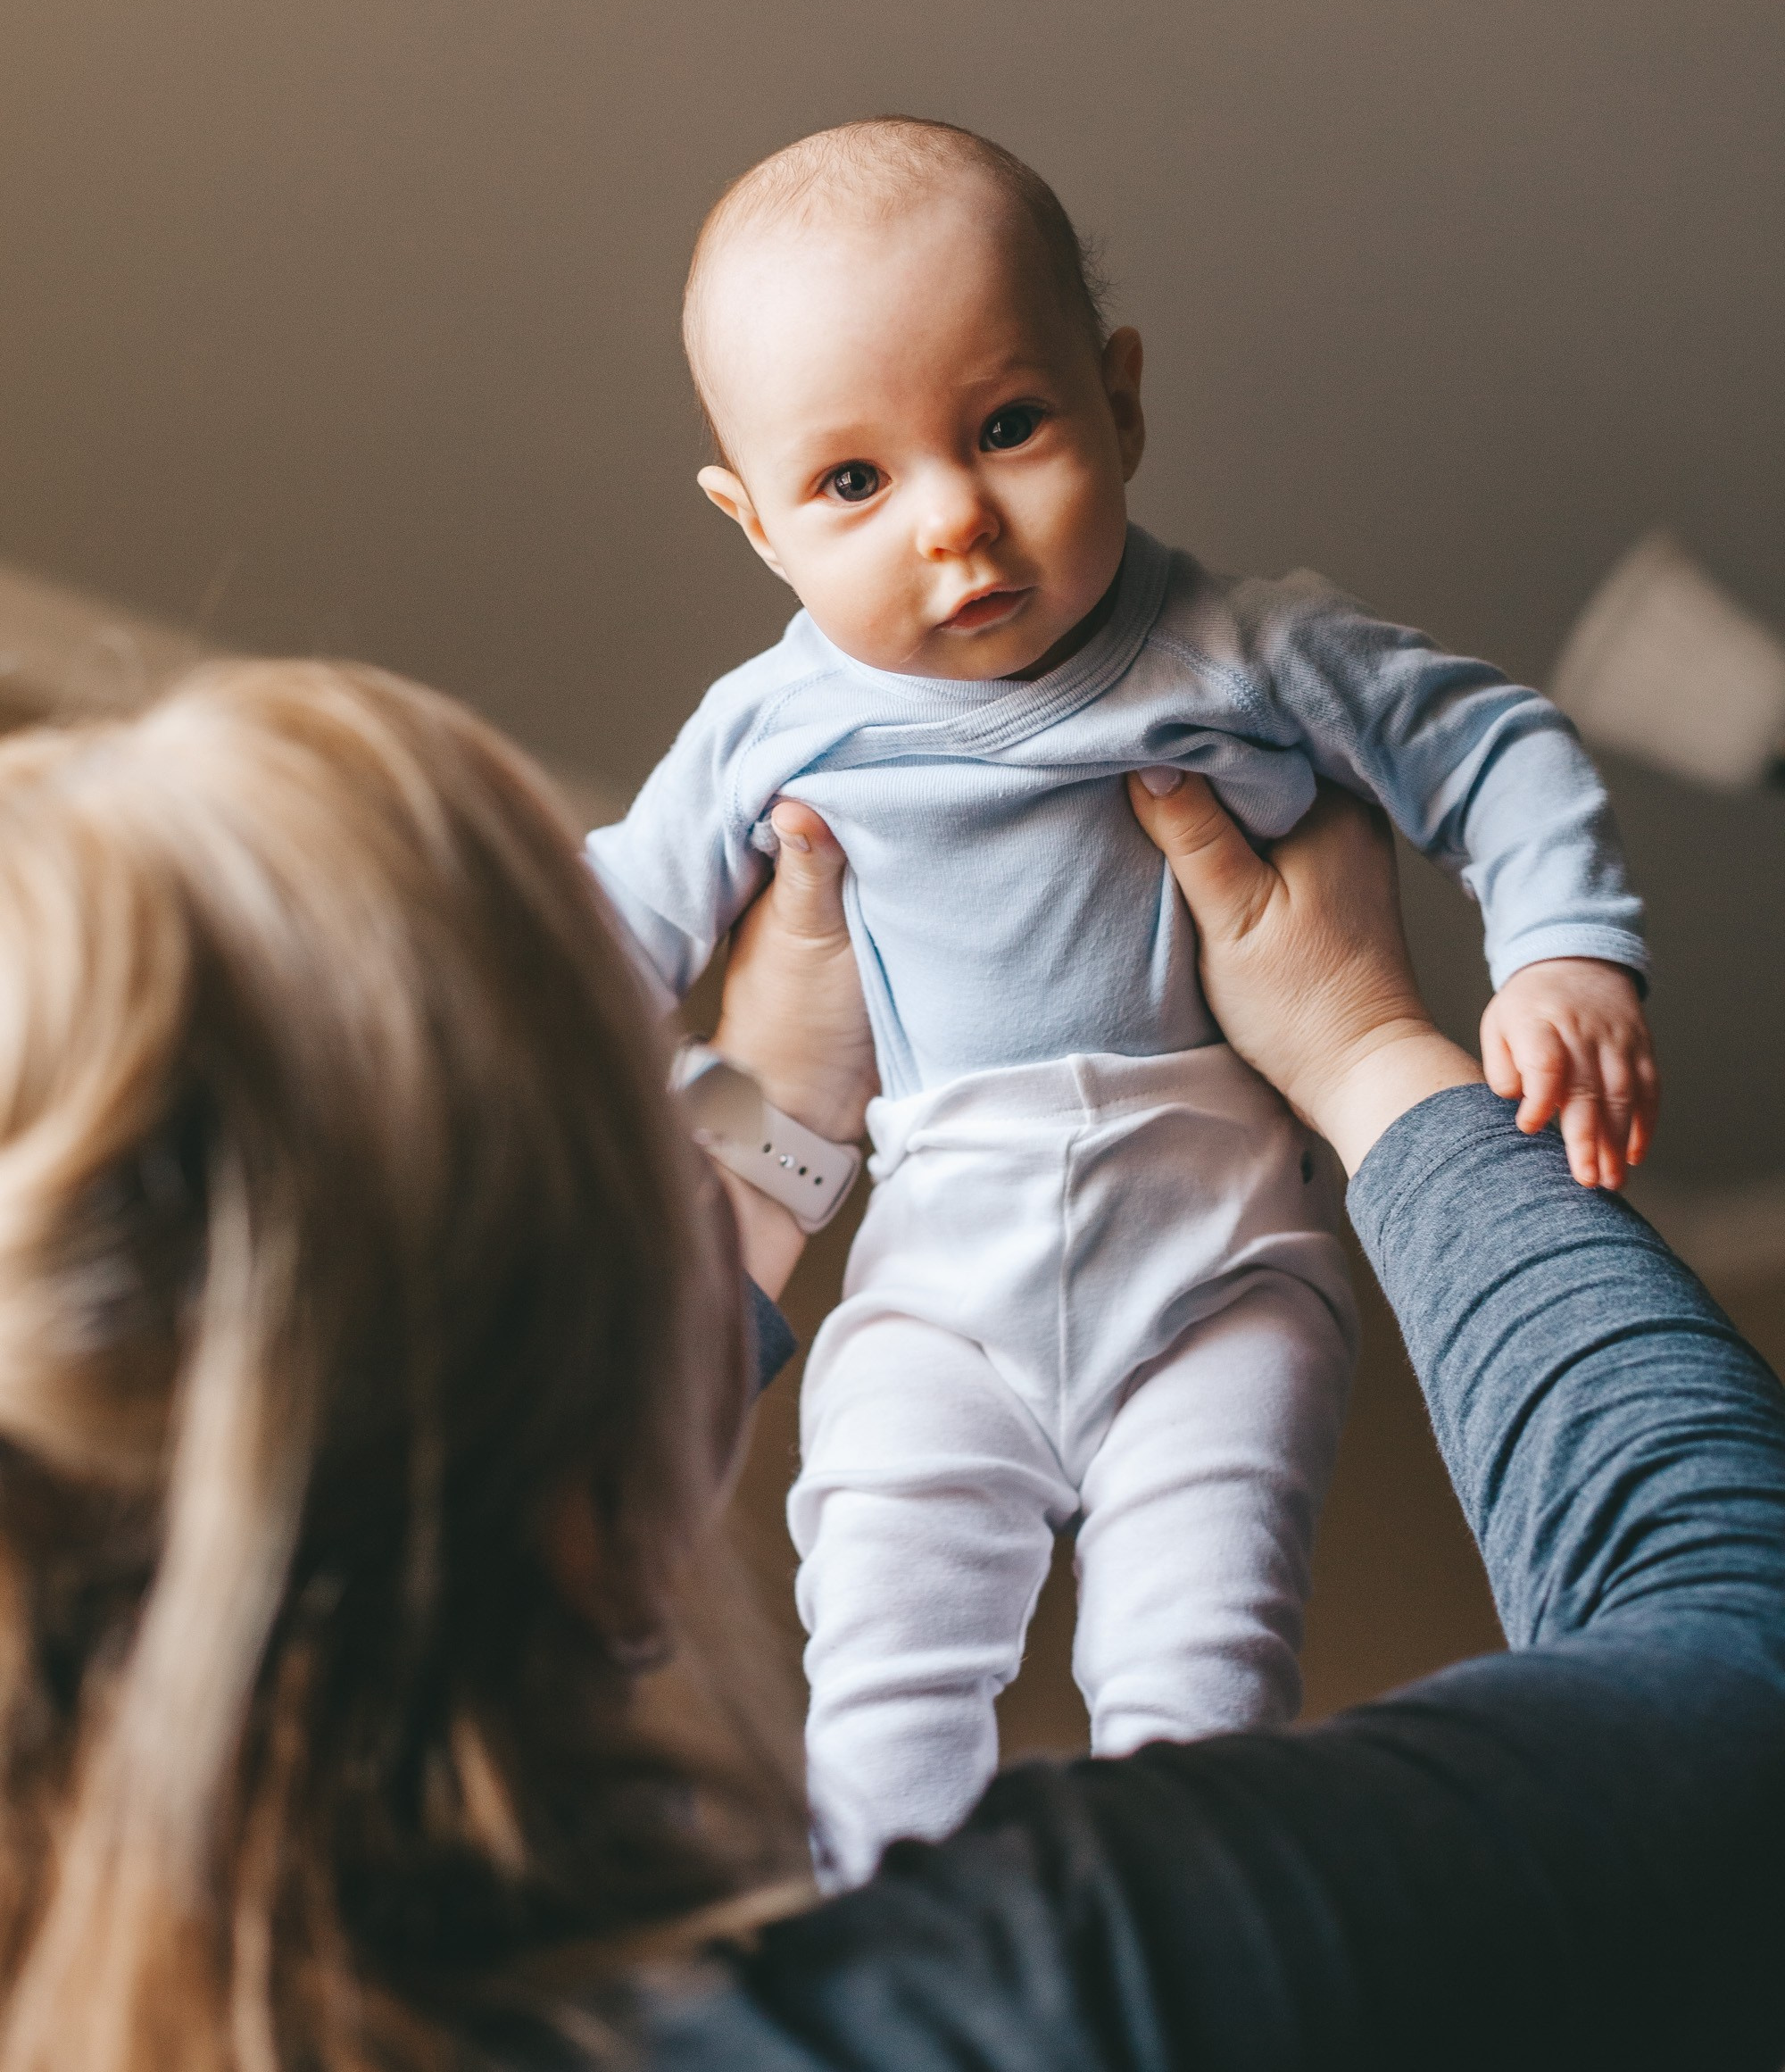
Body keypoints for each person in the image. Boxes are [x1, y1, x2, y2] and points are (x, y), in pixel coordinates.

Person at [0, 659, 1779, 2071]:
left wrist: (770, 1124)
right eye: (646, 1113)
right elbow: (1743, 1660)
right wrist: (1368, 1049)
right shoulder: (1037, 1979)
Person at [585, 113, 1658, 1879]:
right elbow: (602, 935)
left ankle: (1186, 1937)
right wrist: (679, 1101)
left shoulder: (1245, 650)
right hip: (937, 1278)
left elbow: (1493, 747)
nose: (954, 519)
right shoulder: (769, 725)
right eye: (851, 483)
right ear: (754, 523)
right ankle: (897, 1946)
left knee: (1197, 1685)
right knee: (879, 1686)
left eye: (1007, 426)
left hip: (1221, 1265)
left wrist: (1562, 952)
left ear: (1122, 400)